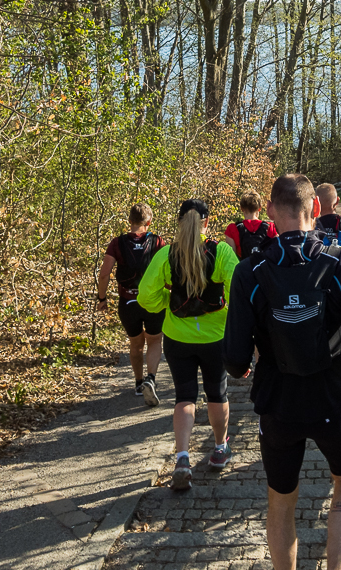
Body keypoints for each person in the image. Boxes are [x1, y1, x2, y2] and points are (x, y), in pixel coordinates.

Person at [224, 174, 341, 570]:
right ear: (316, 209)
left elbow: (234, 362)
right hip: (334, 400)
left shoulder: (249, 271)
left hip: (278, 404)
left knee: (280, 502)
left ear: (272, 212)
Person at [137, 199, 240, 490]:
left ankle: (182, 457)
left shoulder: (167, 254)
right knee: (217, 394)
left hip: (177, 337)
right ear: (207, 222)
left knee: (185, 396)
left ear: (179, 222)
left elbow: (146, 294)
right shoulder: (221, 252)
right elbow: (239, 289)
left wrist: (164, 305)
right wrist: (232, 318)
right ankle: (220, 449)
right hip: (214, 337)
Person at [96, 204, 167, 406]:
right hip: (152, 301)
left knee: (136, 343)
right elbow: (168, 269)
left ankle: (138, 383)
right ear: (149, 222)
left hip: (128, 302)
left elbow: (104, 274)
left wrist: (102, 299)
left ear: (130, 221)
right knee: (154, 341)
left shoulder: (117, 243)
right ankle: (151, 379)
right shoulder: (158, 242)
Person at [223, 189, 278, 260]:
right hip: (265, 270)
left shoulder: (232, 229)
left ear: (241, 208)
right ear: (260, 208)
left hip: (243, 269)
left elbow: (231, 259)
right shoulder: (271, 227)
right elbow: (276, 253)